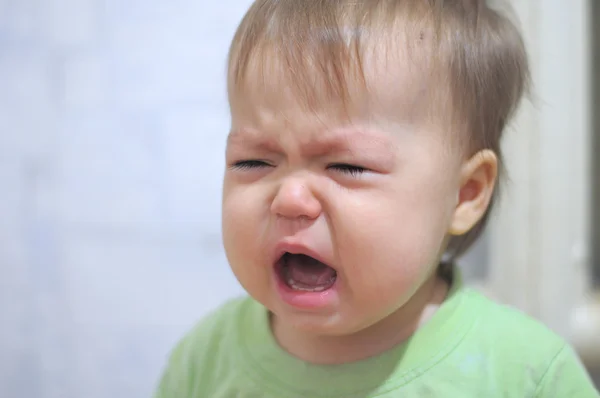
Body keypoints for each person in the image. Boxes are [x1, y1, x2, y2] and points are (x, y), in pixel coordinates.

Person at [155, 1, 600, 396]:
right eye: (253, 162)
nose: (289, 198)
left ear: (465, 194)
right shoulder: (205, 363)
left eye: (347, 166)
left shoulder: (524, 375)